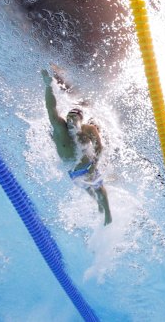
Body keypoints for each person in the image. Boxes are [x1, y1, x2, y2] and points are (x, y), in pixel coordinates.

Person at [41, 68, 112, 225]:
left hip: (87, 166)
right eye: (69, 116)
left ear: (80, 118)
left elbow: (99, 147)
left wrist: (95, 164)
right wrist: (48, 86)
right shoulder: (60, 127)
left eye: (74, 116)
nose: (71, 119)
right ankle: (98, 205)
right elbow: (51, 109)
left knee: (98, 188)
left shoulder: (88, 129)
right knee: (87, 189)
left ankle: (108, 214)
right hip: (72, 170)